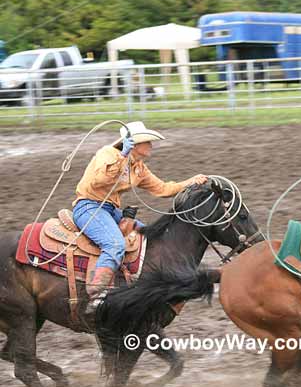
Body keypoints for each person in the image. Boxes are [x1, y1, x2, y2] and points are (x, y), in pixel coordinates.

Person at [72, 121, 207, 315]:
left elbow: (163, 189)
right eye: (147, 141)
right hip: (89, 207)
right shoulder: (107, 154)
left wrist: (190, 182)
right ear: (134, 143)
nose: (151, 145)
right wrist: (122, 157)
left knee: (147, 237)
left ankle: (133, 282)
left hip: (109, 210)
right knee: (114, 243)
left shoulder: (139, 168)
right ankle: (97, 295)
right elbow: (99, 180)